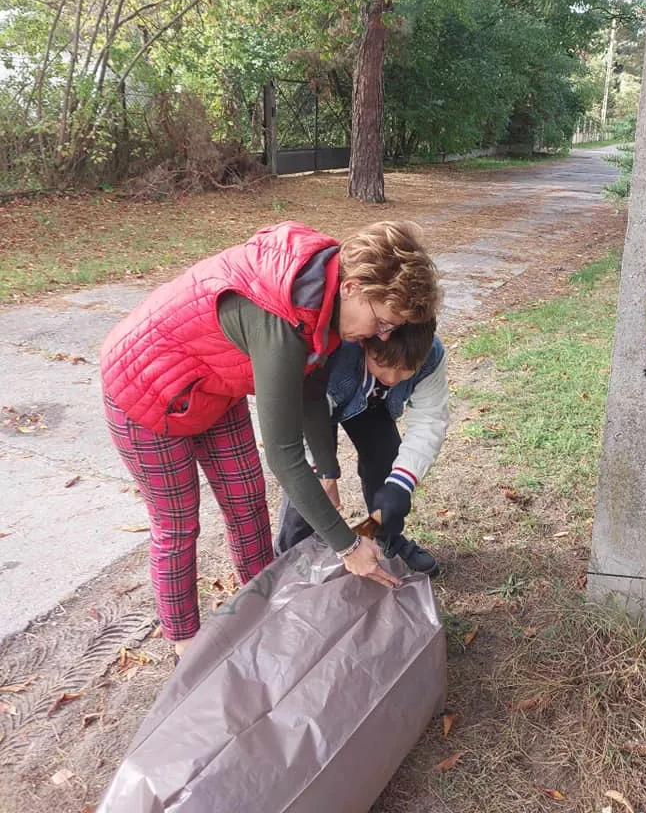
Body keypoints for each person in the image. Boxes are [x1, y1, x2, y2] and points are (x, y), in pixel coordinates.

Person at [100, 220, 439, 658]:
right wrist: (349, 545)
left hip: (213, 388)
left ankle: (263, 614)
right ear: (353, 287)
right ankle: (187, 649)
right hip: (143, 388)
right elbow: (282, 454)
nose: (381, 336)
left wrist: (327, 470)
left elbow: (309, 388)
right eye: (383, 322)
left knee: (247, 505)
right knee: (179, 522)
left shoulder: (328, 301)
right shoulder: (281, 319)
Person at [276, 320, 449, 576]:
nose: (392, 379)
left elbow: (429, 419)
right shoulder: (335, 349)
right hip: (316, 406)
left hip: (374, 405)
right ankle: (288, 562)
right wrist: (322, 472)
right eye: (384, 365)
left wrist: (402, 484)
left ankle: (386, 538)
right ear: (364, 341)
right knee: (308, 488)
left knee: (386, 463)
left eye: (405, 371)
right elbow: (296, 424)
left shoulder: (430, 354)